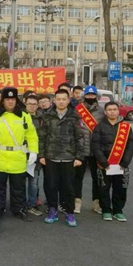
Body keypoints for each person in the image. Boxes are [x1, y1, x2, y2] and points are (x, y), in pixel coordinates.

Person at [0, 87, 38, 222]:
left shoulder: (24, 116)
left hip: (18, 157)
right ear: (3, 101)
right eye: (7, 99)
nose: (10, 102)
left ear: (16, 100)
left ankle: (19, 209)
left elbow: (31, 135)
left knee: (18, 188)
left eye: (13, 99)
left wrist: (33, 151)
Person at [38, 89, 84, 227]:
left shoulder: (75, 116)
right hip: (51, 157)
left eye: (64, 99)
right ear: (54, 100)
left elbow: (80, 138)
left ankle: (69, 212)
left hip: (69, 157)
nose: (61, 102)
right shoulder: (47, 116)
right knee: (51, 185)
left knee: (68, 187)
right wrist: (41, 155)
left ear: (68, 100)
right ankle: (52, 210)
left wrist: (79, 157)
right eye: (58, 99)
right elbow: (42, 137)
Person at [91, 102, 133, 222]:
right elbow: (95, 145)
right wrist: (103, 162)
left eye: (114, 109)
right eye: (109, 110)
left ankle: (118, 211)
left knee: (120, 188)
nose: (112, 112)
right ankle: (106, 210)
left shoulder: (125, 127)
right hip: (105, 164)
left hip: (121, 165)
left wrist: (125, 162)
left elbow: (131, 145)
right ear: (105, 112)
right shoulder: (100, 126)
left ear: (118, 111)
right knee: (103, 188)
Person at [73, 85, 105, 214]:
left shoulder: (102, 111)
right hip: (81, 149)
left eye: (93, 95)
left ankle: (96, 203)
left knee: (97, 178)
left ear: (97, 96)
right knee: (77, 178)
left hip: (96, 150)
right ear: (84, 96)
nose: (90, 97)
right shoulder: (77, 110)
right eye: (88, 95)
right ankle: (77, 202)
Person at [23, 95, 43, 216]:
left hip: (35, 155)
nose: (32, 106)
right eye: (29, 104)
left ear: (38, 105)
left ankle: (32, 204)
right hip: (20, 154)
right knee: (19, 183)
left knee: (33, 182)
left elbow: (43, 138)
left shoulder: (42, 119)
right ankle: (20, 205)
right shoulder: (19, 117)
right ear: (25, 104)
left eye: (34, 104)